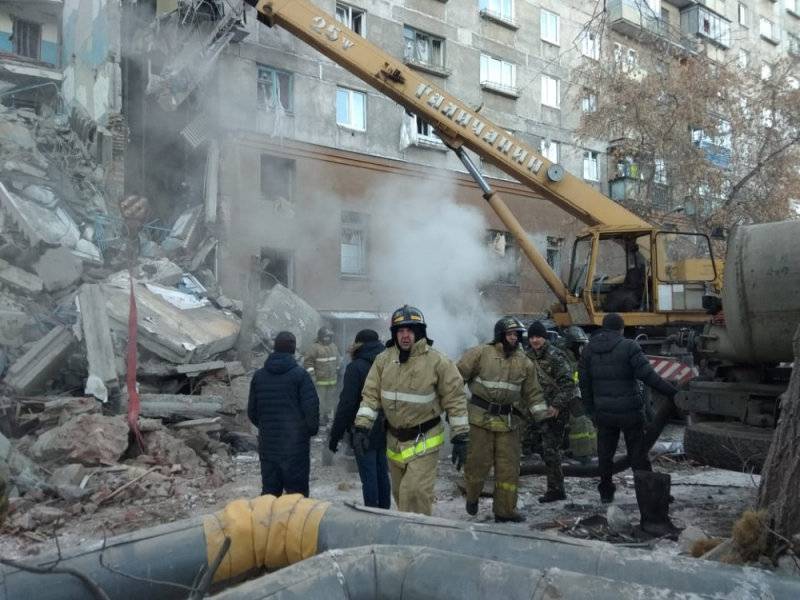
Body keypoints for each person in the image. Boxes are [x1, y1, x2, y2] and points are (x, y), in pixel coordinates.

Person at [352, 305, 469, 516]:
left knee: (413, 493)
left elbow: (455, 398)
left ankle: (417, 539)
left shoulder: (437, 361)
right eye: (400, 330)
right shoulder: (383, 360)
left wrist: (461, 436)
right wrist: (361, 427)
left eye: (410, 330)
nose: (405, 335)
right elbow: (370, 396)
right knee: (399, 494)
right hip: (394, 440)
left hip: (424, 440)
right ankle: (408, 532)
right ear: (394, 334)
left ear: (419, 332)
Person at [578, 313, 678, 506]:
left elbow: (584, 384)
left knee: (605, 455)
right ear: (621, 329)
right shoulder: (629, 346)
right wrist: (673, 393)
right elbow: (648, 376)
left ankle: (606, 493)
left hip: (604, 413)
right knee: (638, 455)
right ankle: (649, 493)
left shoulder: (589, 350)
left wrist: (591, 411)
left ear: (603, 328)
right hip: (630, 412)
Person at [457, 317, 543, 523]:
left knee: (509, 469)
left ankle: (505, 511)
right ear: (500, 335)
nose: (514, 338)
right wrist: (453, 408)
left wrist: (541, 417)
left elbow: (533, 393)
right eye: (510, 334)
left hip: (508, 422)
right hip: (479, 419)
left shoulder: (525, 363)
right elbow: (455, 378)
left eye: (517, 335)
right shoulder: (480, 353)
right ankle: (472, 496)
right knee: (478, 463)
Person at [248, 331, 319, 497]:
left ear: (274, 347)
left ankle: (270, 523)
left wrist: (267, 427)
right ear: (293, 349)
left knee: (270, 495)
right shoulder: (300, 375)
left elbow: (252, 411)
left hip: (268, 445)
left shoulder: (259, 376)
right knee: (297, 497)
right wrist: (308, 431)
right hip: (295, 447)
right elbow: (311, 408)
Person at [328, 329, 391, 509]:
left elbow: (346, 404)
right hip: (385, 425)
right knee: (382, 473)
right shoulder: (387, 363)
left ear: (358, 345)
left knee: (369, 475)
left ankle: (372, 514)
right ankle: (385, 512)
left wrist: (335, 435)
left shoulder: (355, 367)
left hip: (363, 428)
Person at [526, 321, 576, 503]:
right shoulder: (527, 356)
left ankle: (556, 490)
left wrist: (556, 405)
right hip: (534, 410)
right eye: (532, 337)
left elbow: (568, 384)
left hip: (553, 411)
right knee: (532, 444)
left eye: (538, 336)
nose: (535, 340)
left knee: (550, 451)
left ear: (544, 337)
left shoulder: (556, 356)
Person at [304, 326, 341, 425]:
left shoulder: (333, 346)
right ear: (320, 337)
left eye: (329, 337)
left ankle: (329, 418)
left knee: (330, 400)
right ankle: (319, 419)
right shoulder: (314, 347)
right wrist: (312, 376)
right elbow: (308, 363)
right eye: (325, 337)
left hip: (332, 380)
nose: (327, 339)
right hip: (319, 381)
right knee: (320, 401)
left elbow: (337, 359)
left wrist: (338, 370)